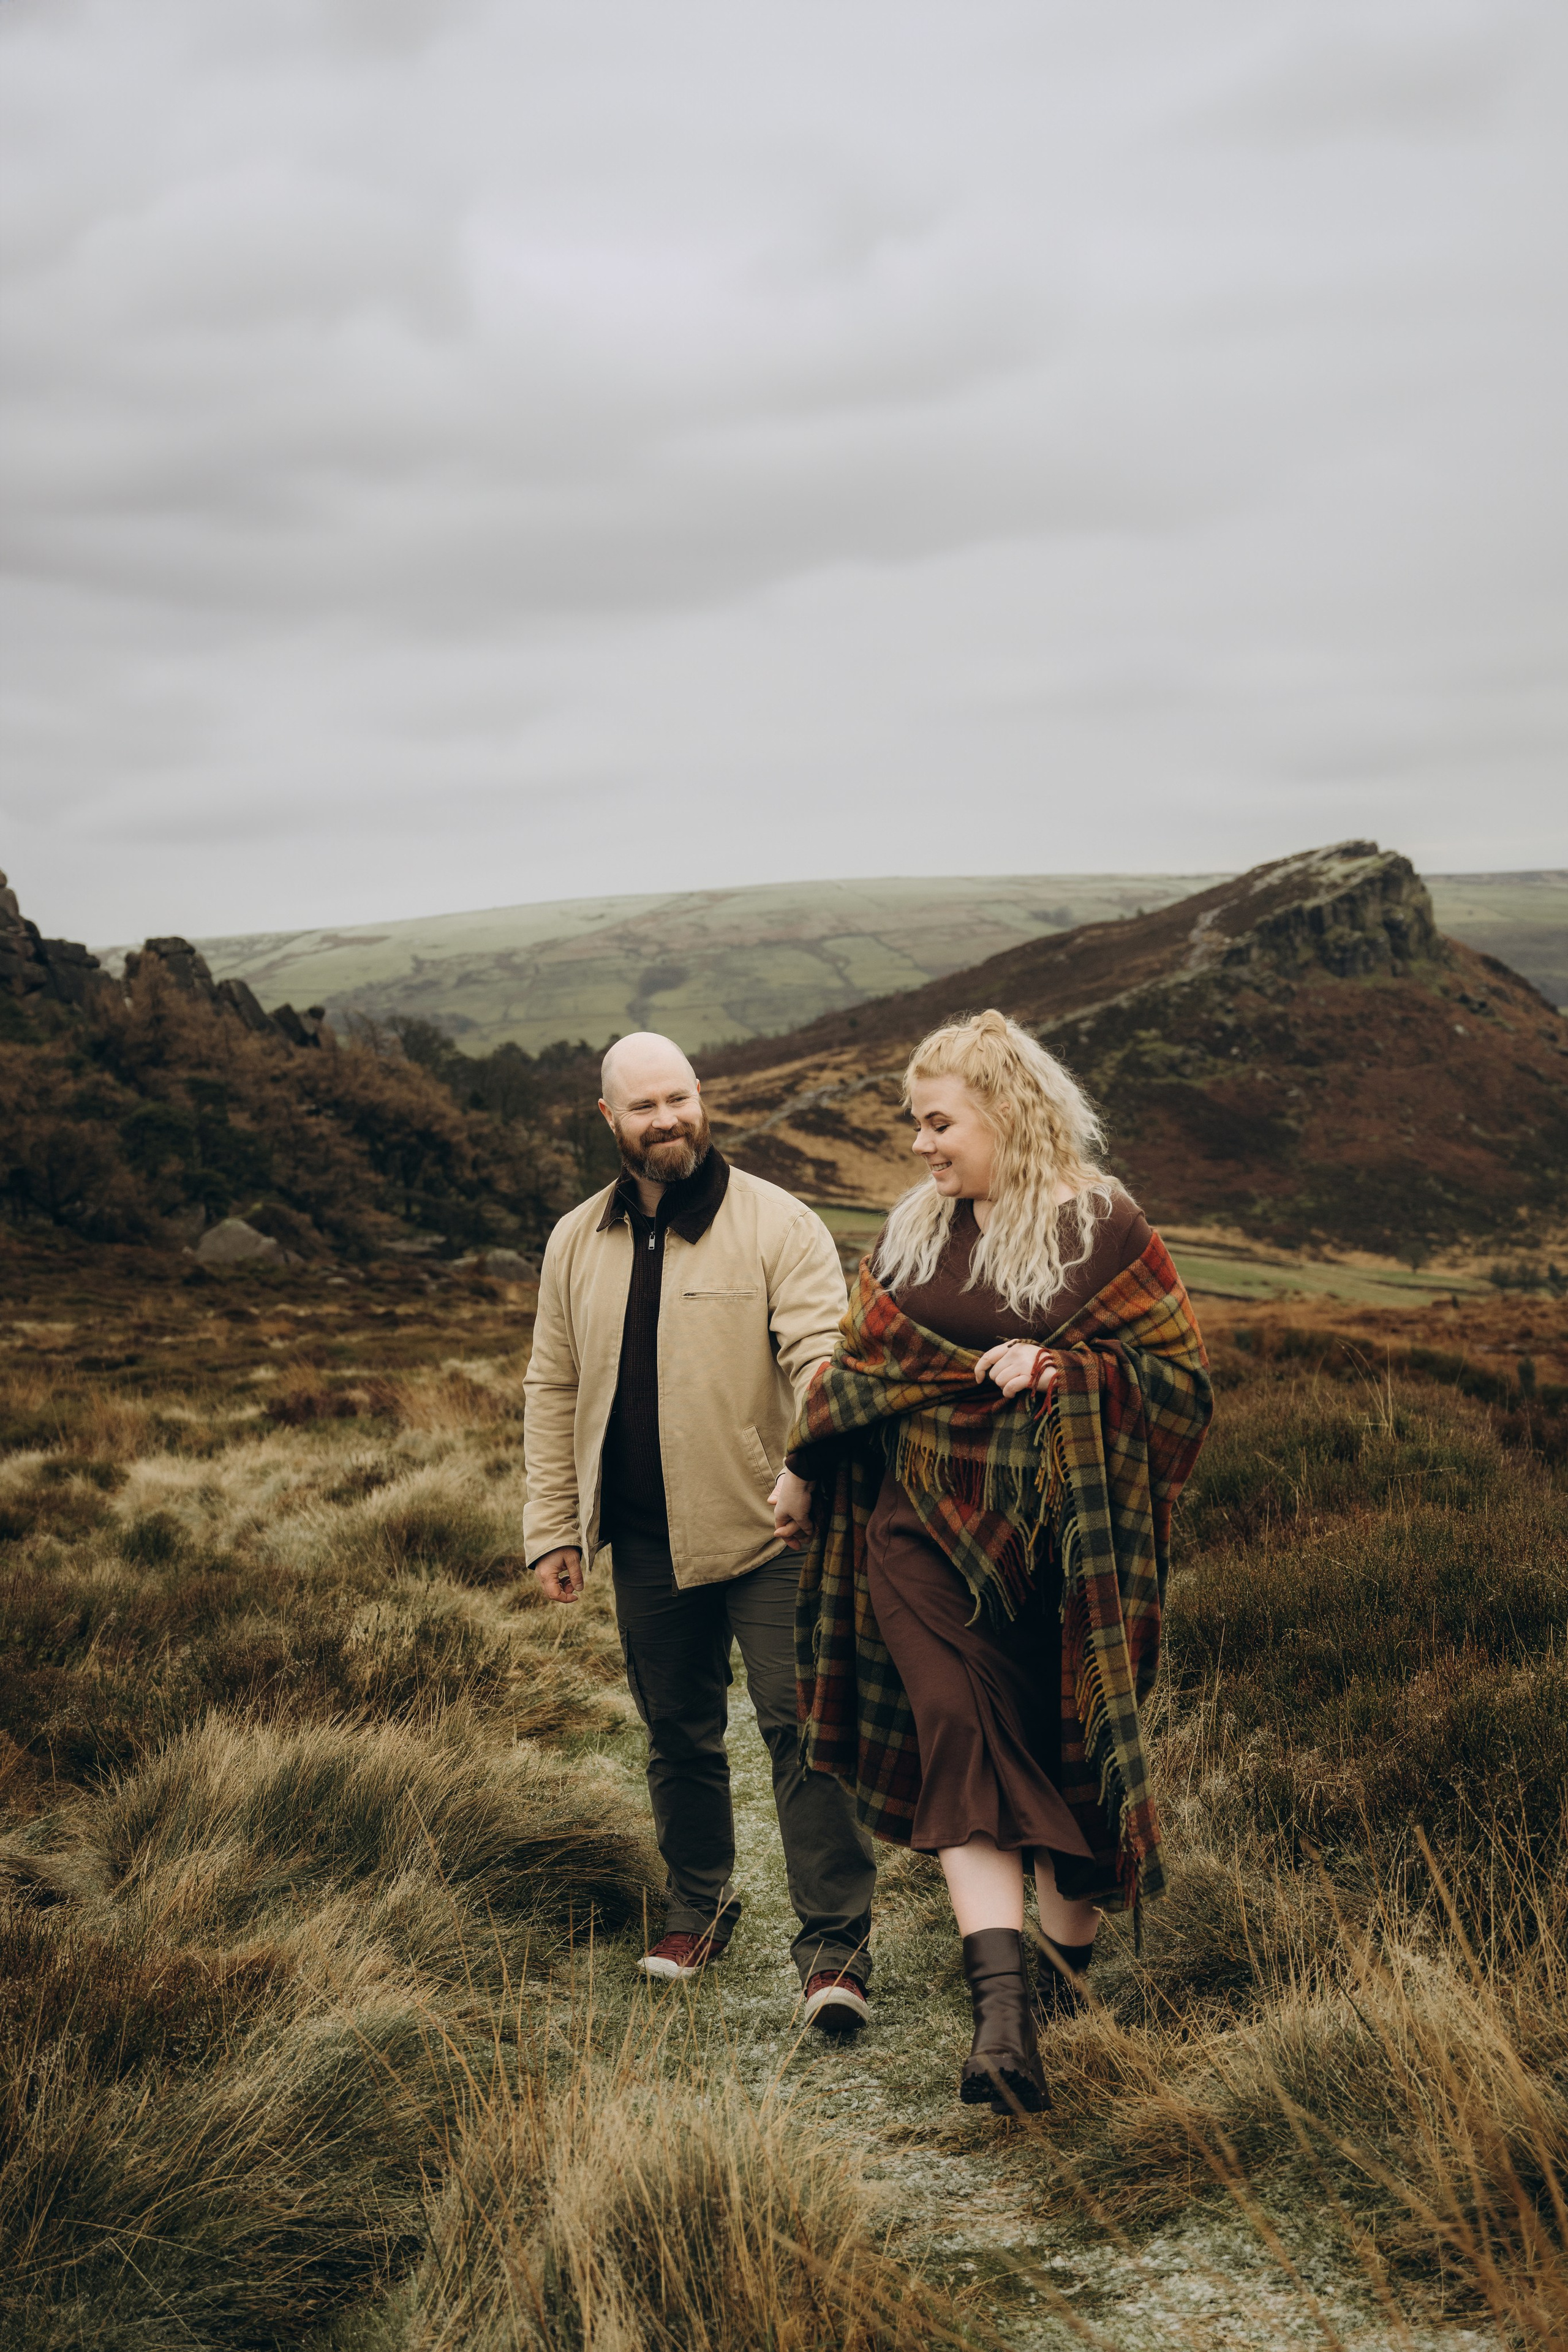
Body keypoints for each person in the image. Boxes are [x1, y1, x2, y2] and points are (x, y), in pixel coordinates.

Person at [775, 1009, 1212, 2110]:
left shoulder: (1104, 1228)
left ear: (1008, 1114)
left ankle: (1056, 1994)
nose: (920, 1143)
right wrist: (803, 1464)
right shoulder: (914, 1232)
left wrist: (1069, 1373)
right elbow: (863, 1370)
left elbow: (1180, 1386)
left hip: (1062, 1555)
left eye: (939, 1123)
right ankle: (1001, 2029)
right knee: (958, 1732)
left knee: (1067, 1770)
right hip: (916, 1532)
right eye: (916, 1123)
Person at [522, 1030, 877, 2033]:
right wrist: (554, 1526)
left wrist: (818, 1464)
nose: (667, 1119)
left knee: (803, 1732)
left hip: (774, 1533)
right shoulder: (574, 1240)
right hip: (643, 1540)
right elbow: (553, 1385)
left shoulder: (779, 1223)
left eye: (679, 1097)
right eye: (644, 1106)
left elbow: (822, 1357)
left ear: (701, 1097)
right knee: (676, 1734)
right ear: (610, 1119)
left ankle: (835, 1953)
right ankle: (698, 1910)